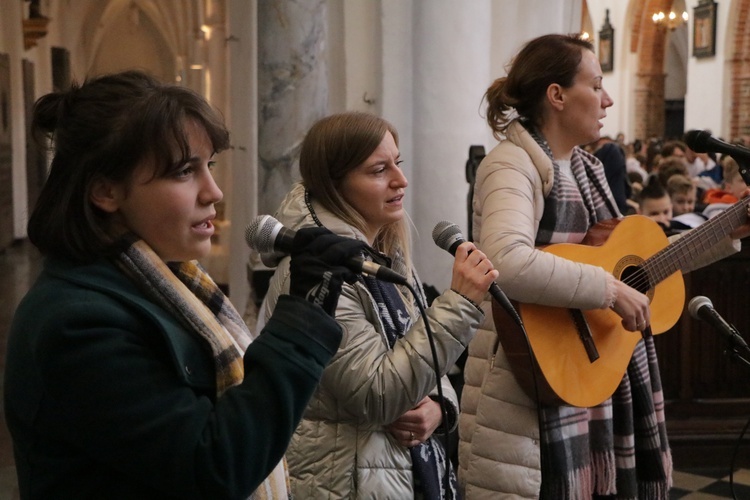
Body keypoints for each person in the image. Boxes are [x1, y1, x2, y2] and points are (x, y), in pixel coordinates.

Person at [4, 70, 371, 499]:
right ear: (105, 190)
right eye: (183, 171)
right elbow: (214, 466)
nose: (213, 191)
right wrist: (301, 322)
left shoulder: (170, 287)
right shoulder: (78, 324)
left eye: (209, 165)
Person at [458, 33, 750, 499]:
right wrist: (610, 291)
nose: (608, 99)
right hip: (528, 380)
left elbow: (640, 262)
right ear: (556, 95)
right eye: (596, 86)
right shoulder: (512, 166)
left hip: (592, 370)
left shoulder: (587, 168)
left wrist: (730, 229)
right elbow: (506, 263)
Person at [258, 111, 499, 499]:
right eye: (378, 170)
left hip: (395, 473)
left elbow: (424, 357)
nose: (401, 180)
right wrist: (460, 305)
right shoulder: (315, 272)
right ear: (335, 185)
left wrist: (438, 406)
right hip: (343, 482)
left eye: (398, 164)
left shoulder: (384, 256)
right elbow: (378, 393)